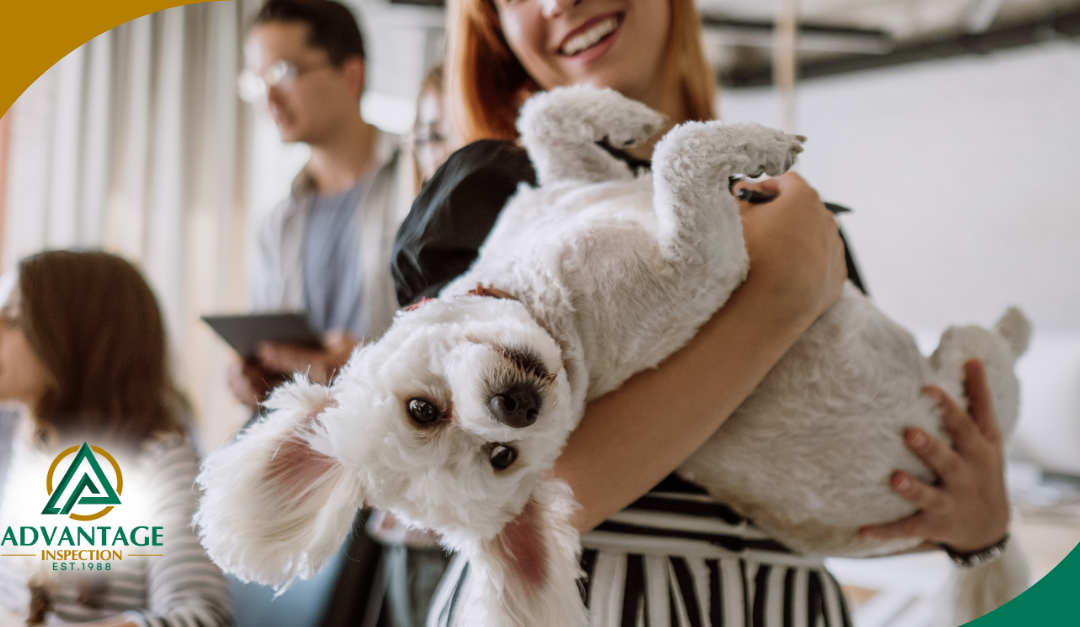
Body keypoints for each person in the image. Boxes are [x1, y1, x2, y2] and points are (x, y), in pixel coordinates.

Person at [391, 0, 1013, 623]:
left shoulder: (788, 207)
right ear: (494, 27)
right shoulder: (491, 196)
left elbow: (852, 481)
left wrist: (974, 526)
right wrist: (774, 301)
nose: (559, 2)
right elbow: (489, 502)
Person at [0, 251, 232, 627]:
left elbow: (203, 616)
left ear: (75, 340)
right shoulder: (32, 443)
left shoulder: (160, 461)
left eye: (12, 319)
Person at [228, 0, 404, 410]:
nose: (268, 96)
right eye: (256, 80)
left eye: (283, 72)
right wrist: (253, 377)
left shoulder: (420, 185)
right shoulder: (278, 222)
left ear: (351, 75)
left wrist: (368, 368)